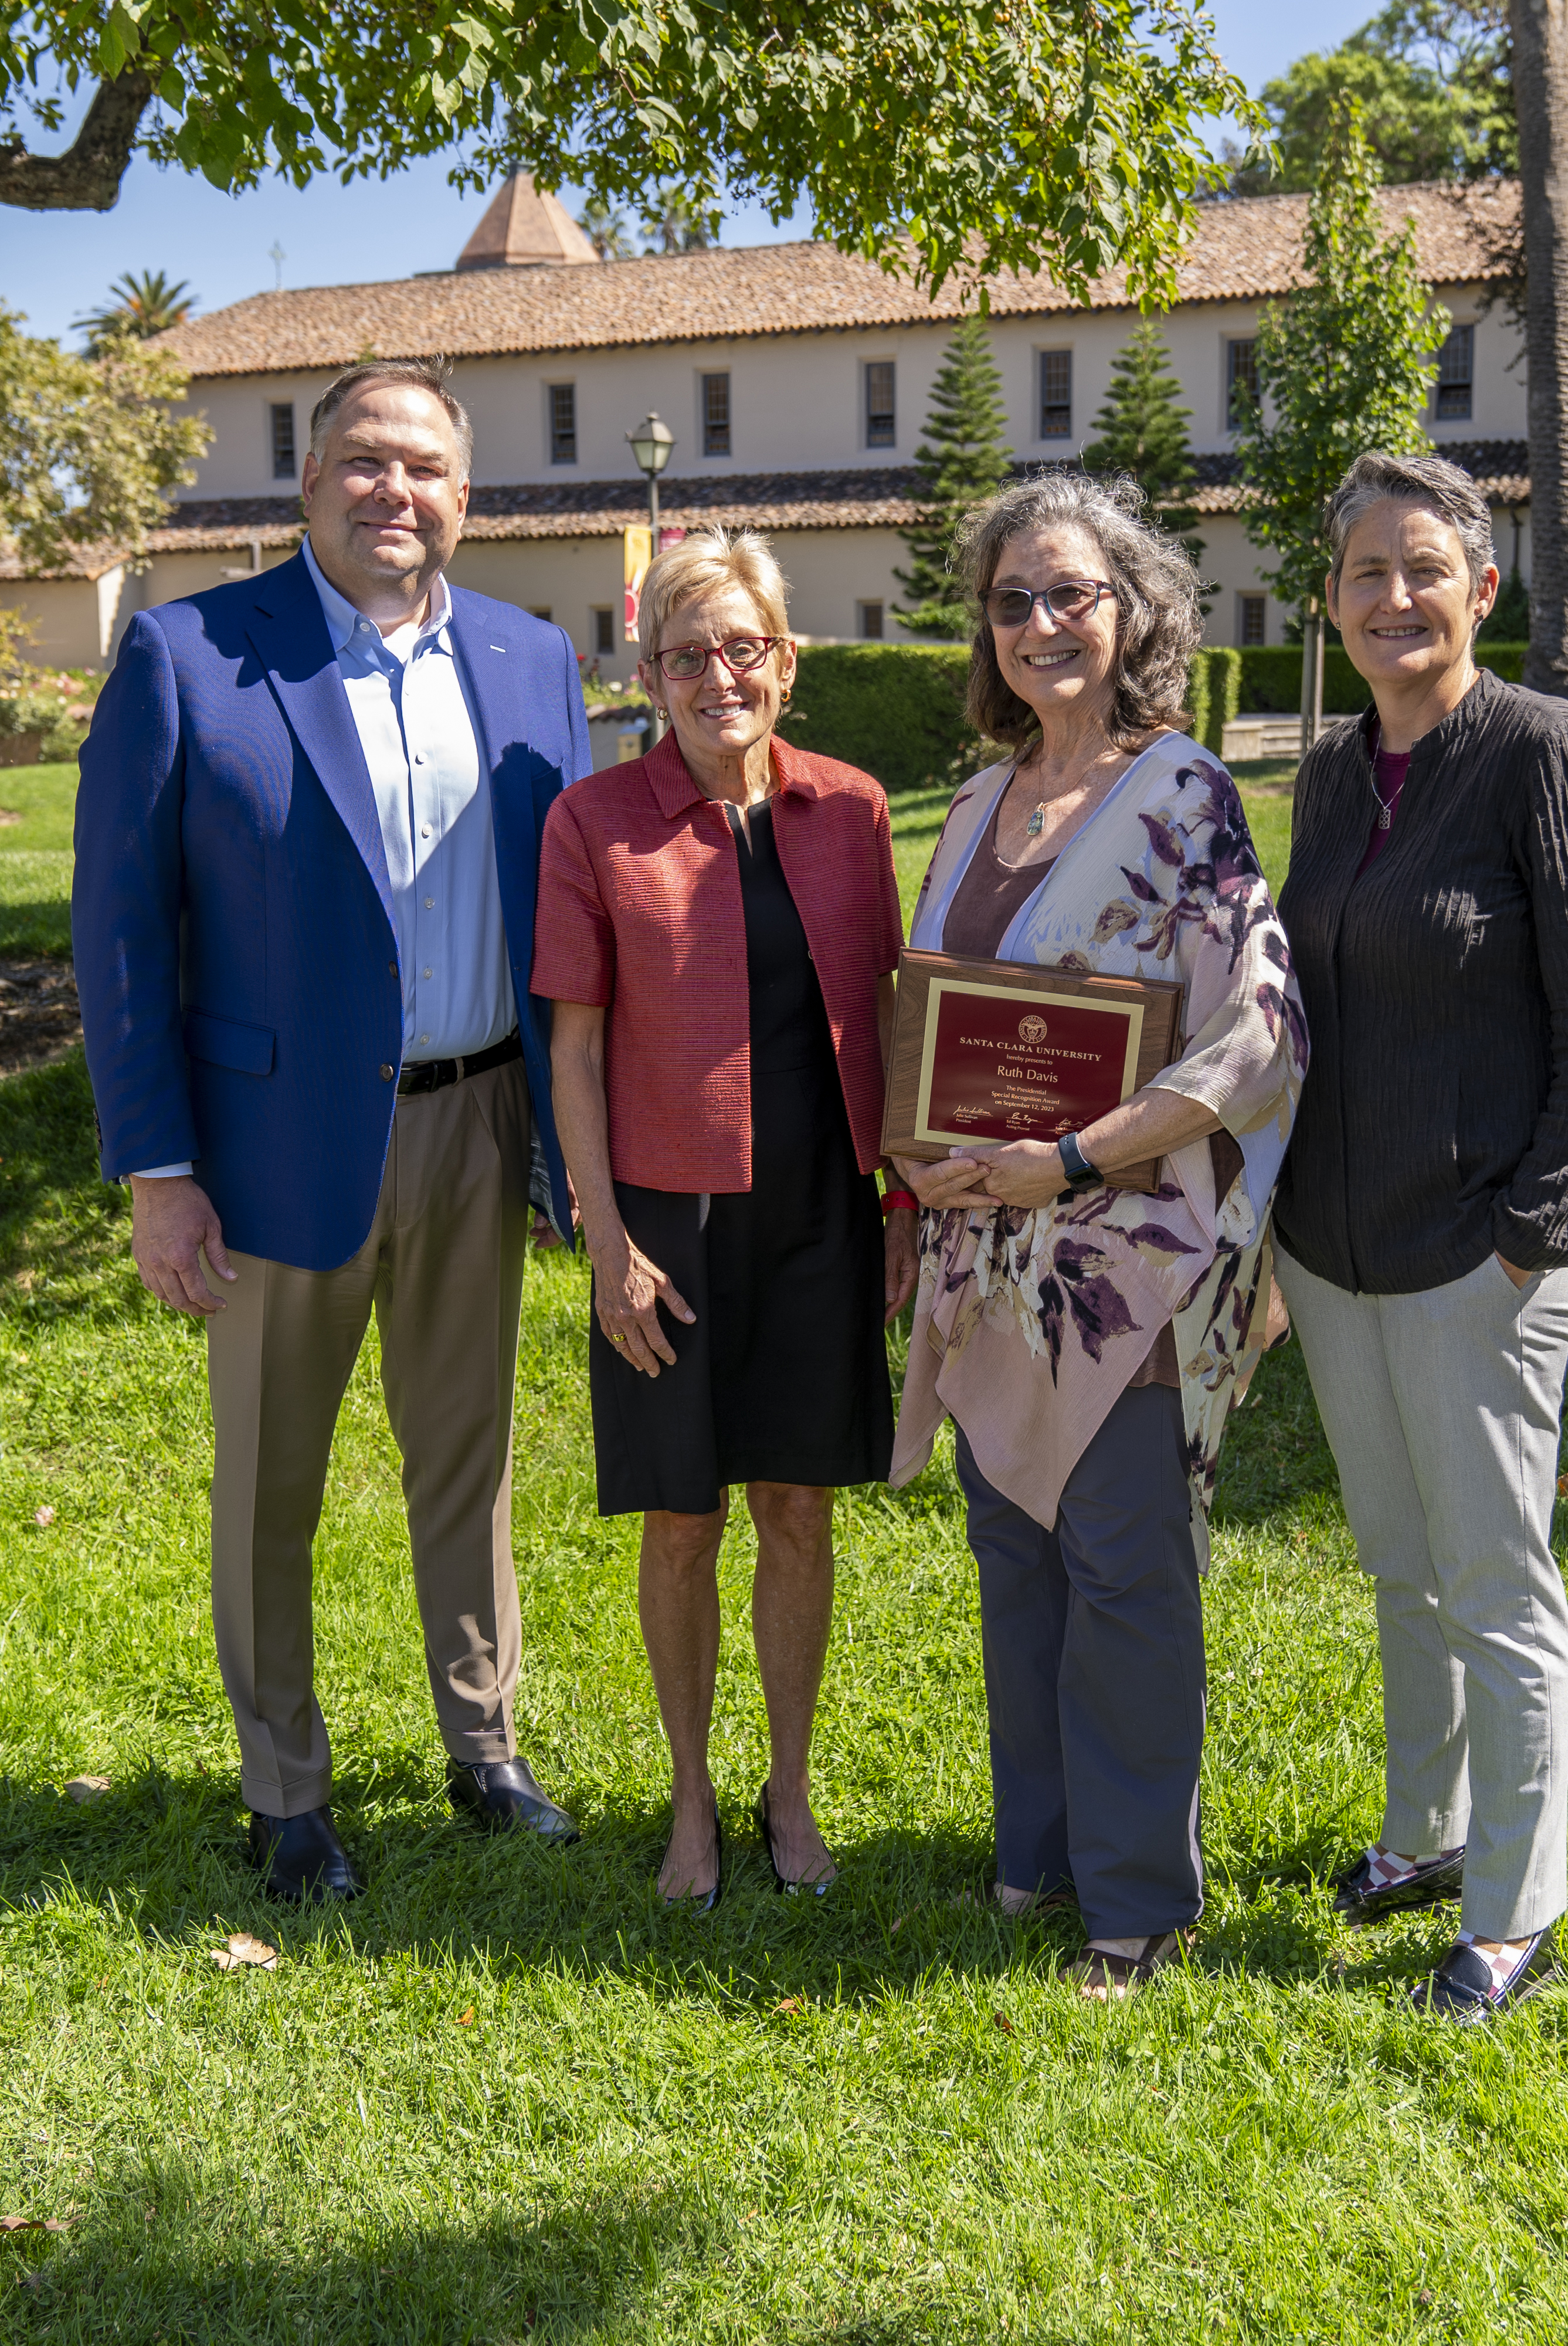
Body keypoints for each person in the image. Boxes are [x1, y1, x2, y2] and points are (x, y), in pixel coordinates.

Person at [72, 360, 591, 1903]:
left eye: (424, 468)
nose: (395, 493)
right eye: (364, 462)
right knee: (270, 1479)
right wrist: (160, 1171)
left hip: (481, 1118)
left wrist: (577, 1148)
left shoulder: (533, 660)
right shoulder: (191, 656)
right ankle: (284, 1790)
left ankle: (484, 1745)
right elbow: (120, 928)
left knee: (468, 1457)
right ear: (308, 483)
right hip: (272, 1147)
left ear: (467, 496)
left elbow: (568, 907)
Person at [888, 474, 1305, 1998]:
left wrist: (1067, 1157)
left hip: (1123, 1260)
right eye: (1013, 602)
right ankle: (1039, 1852)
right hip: (985, 1253)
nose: (1044, 624)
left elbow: (1257, 1035)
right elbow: (940, 1019)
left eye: (1073, 595)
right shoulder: (974, 802)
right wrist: (932, 1159)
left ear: (1134, 612)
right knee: (1016, 1552)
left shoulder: (1185, 791)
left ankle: (1134, 1904)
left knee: (1125, 1573)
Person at [1271, 449, 1568, 2022]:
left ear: (1481, 590)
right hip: (1336, 1252)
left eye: (1424, 567)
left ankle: (1514, 1907)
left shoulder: (1541, 755)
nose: (1393, 597)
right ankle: (1425, 1836)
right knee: (1399, 1570)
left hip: (1479, 1260)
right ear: (1331, 602)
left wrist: (1530, 1240)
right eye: (1365, 571)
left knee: (1496, 1584)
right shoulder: (1324, 774)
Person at [535, 528, 917, 1909]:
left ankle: (791, 1787)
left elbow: (883, 1013)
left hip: (821, 1209)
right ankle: (691, 1797)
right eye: (687, 656)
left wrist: (903, 1200)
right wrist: (603, 1242)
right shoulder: (594, 822)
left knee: (798, 1507)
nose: (717, 678)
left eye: (741, 649)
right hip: (667, 1226)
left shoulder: (854, 811)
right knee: (682, 1517)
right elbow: (572, 1053)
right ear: (651, 675)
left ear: (786, 664)